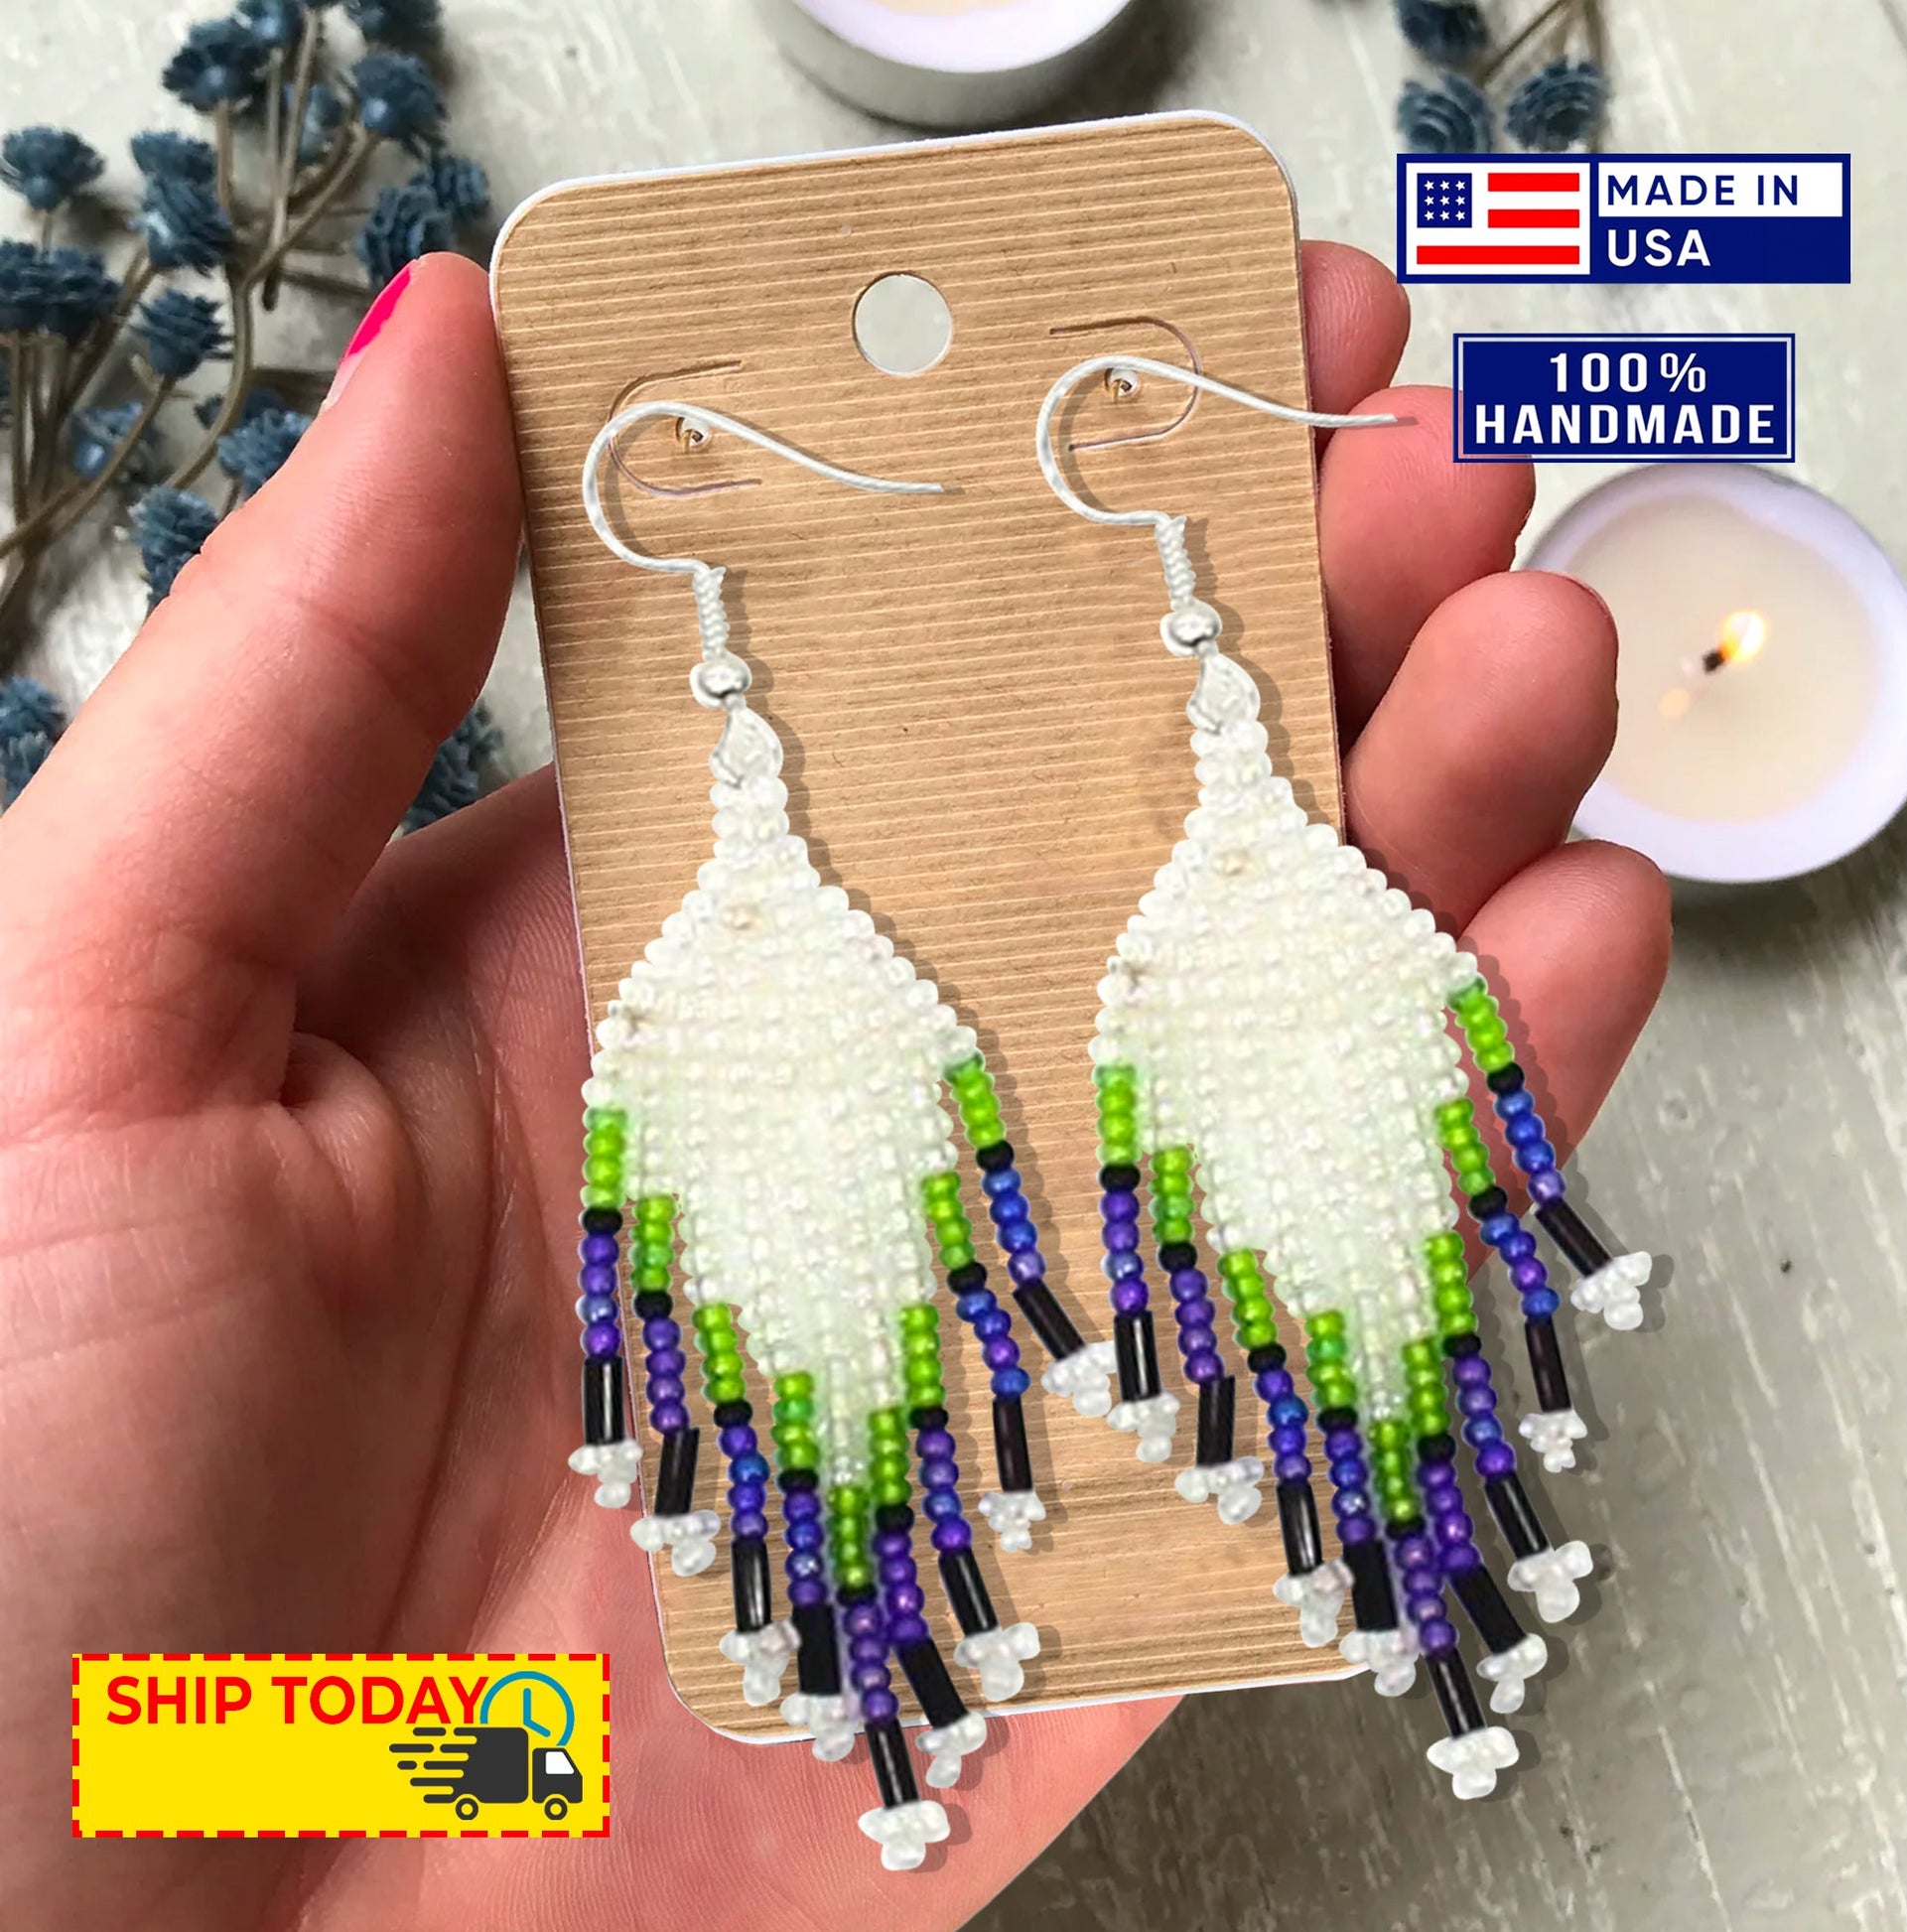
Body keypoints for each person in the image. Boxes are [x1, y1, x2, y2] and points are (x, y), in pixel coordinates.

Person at [0, 248, 1669, 1930]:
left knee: (978, 1458)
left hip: (267, 1786)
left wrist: (181, 1826)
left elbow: (236, 1825)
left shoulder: (208, 1795)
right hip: (284, 1795)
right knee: (874, 1468)